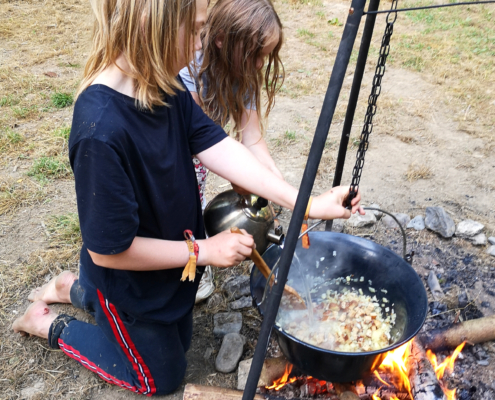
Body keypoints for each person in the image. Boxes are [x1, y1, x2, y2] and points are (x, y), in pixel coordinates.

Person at [11, 0, 364, 396]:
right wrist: (203, 251)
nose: (201, 46)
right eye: (197, 31)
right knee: (159, 378)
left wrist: (310, 204)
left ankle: (72, 289)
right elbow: (109, 253)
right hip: (130, 286)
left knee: (177, 341)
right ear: (157, 24)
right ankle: (49, 324)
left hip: (168, 276)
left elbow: (220, 145)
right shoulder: (101, 130)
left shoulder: (165, 87)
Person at [180, 0, 284, 302]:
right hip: (179, 155)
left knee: (194, 204)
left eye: (265, 56)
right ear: (222, 38)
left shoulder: (244, 71)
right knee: (182, 208)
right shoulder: (190, 67)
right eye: (255, 54)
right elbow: (205, 144)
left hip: (208, 154)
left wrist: (276, 183)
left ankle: (192, 253)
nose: (260, 65)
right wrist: (251, 182)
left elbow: (251, 138)